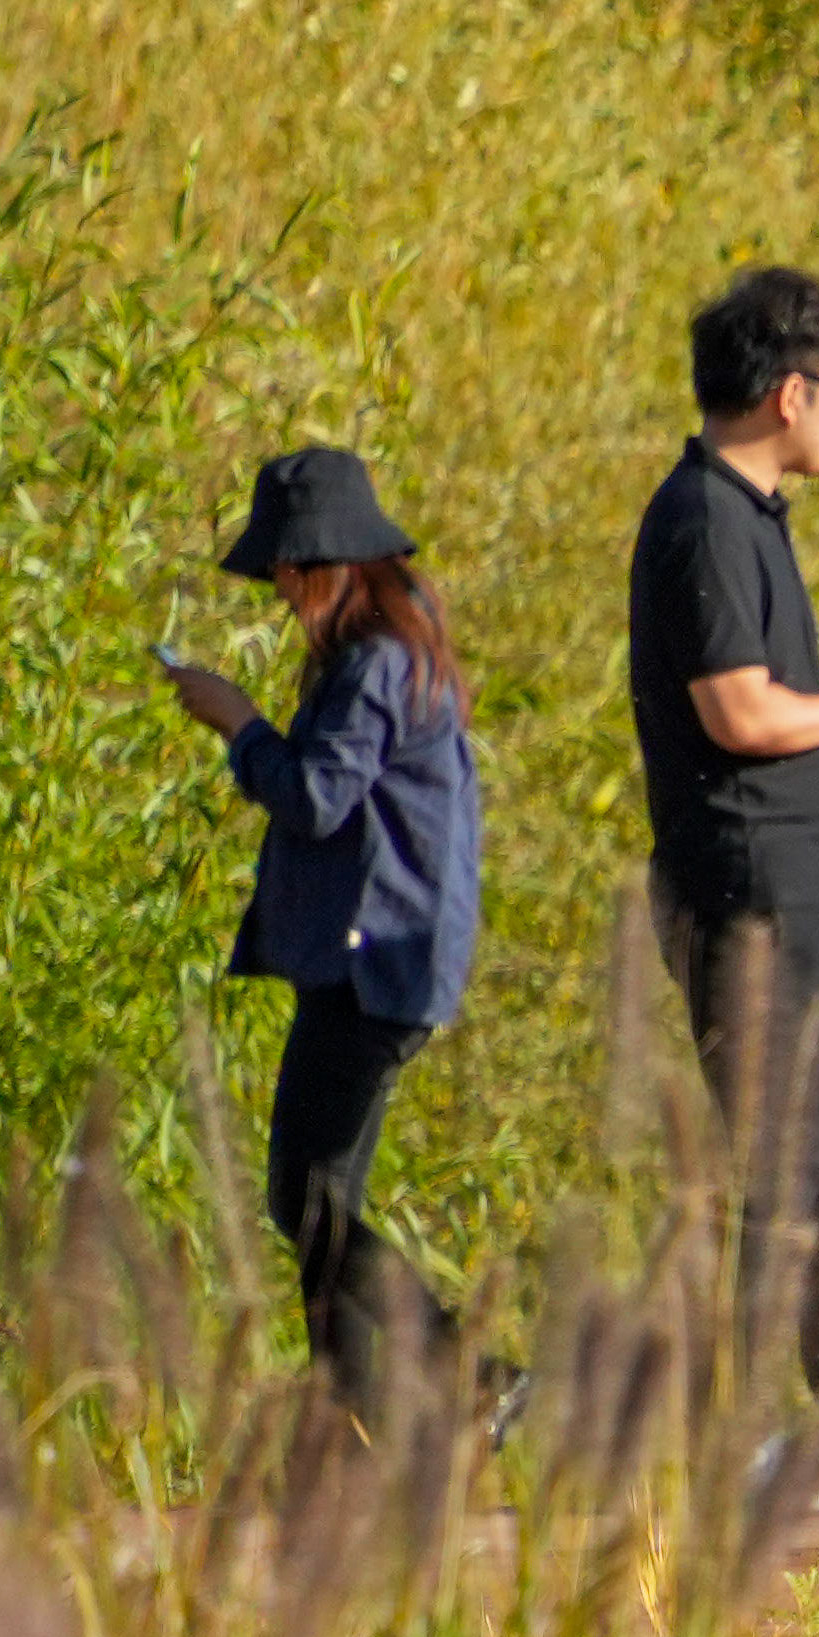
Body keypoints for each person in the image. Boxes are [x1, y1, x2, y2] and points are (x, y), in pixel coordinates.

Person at [628, 265, 819, 1399]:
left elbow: (773, 710)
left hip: (811, 893)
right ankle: (764, 1438)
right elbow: (739, 710)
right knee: (786, 1173)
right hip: (755, 898)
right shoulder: (703, 517)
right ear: (788, 393)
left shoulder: (745, 517)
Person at [163, 444, 484, 1413]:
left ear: (324, 565)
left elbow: (315, 797)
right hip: (379, 959)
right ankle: (356, 1416)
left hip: (374, 963)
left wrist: (239, 723)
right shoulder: (398, 645)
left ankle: (472, 1377)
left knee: (307, 1197)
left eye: (286, 574)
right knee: (315, 1195)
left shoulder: (378, 663)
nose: (282, 593)